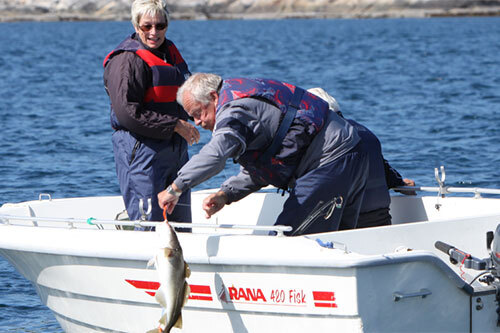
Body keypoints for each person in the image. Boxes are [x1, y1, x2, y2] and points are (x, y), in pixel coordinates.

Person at [158, 73, 370, 235]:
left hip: (329, 161)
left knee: (286, 237)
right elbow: (262, 169)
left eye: (198, 113)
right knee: (340, 241)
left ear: (213, 97)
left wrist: (175, 188)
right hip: (351, 153)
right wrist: (226, 194)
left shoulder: (233, 112)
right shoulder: (245, 102)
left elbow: (215, 156)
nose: (197, 122)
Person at [103, 0, 199, 227]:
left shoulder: (170, 53)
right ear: (136, 26)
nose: (154, 32)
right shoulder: (127, 60)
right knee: (150, 227)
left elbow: (187, 93)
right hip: (142, 154)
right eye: (147, 26)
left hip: (175, 153)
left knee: (181, 228)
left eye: (160, 25)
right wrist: (175, 125)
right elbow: (127, 113)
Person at [307, 88, 416, 228]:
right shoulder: (365, 132)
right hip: (381, 219)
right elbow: (383, 168)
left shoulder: (327, 139)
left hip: (347, 224)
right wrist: (400, 183)